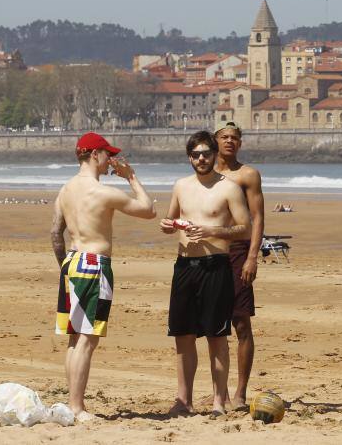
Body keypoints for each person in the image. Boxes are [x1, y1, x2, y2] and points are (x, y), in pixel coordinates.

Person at [51, 132, 155, 422]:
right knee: (87, 339)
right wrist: (131, 177)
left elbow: (55, 233)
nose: (111, 160)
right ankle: (76, 407)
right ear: (94, 155)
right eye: (107, 154)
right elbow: (148, 210)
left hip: (71, 261)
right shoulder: (102, 191)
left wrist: (64, 266)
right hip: (94, 263)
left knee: (74, 339)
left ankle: (72, 403)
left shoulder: (65, 189)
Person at [160, 131, 251, 418]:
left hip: (216, 266)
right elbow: (173, 218)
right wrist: (169, 225)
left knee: (216, 336)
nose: (201, 158)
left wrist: (211, 230)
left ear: (214, 156)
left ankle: (217, 402)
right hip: (186, 266)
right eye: (196, 154)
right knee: (183, 336)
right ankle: (183, 400)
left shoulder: (229, 188)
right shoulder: (180, 186)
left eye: (206, 154)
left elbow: (245, 228)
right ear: (189, 157)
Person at [213, 120, 264, 411]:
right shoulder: (205, 173)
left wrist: (252, 256)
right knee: (213, 327)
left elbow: (257, 218)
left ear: (240, 143)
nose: (230, 141)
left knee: (241, 323)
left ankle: (241, 392)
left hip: (238, 252)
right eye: (225, 137)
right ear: (216, 140)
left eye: (235, 137)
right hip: (209, 253)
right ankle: (219, 392)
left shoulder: (248, 175)